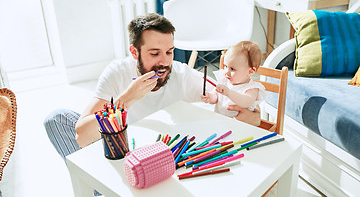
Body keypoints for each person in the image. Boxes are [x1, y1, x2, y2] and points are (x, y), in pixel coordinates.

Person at [44, 13, 261, 161]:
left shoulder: (181, 74)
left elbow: (232, 95)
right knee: (56, 118)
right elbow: (82, 135)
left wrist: (255, 118)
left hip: (156, 157)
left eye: (169, 52)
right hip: (118, 150)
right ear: (134, 52)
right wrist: (127, 99)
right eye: (155, 53)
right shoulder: (117, 72)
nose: (164, 62)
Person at [201, 41, 265, 123]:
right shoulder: (224, 80)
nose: (226, 72)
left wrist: (228, 92)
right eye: (226, 66)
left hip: (241, 127)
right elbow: (216, 97)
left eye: (232, 69)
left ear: (250, 72)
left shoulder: (252, 88)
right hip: (219, 122)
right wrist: (210, 97)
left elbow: (245, 102)